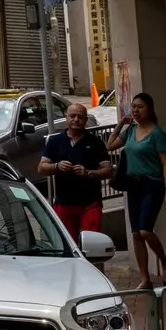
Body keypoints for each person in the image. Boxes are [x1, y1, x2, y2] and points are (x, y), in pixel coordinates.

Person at [109, 92, 166, 289]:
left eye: (140, 107)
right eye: (133, 107)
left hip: (152, 186)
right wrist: (122, 123)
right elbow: (109, 145)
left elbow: (165, 164)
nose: (136, 110)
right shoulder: (130, 131)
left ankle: (164, 262)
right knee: (136, 233)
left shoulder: (157, 134)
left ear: (150, 110)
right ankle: (145, 278)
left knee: (146, 230)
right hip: (133, 186)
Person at [38, 100, 112, 241]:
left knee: (93, 245)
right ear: (66, 117)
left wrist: (88, 172)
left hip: (90, 203)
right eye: (72, 116)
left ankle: (94, 264)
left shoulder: (96, 142)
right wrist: (57, 166)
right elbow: (41, 168)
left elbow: (108, 171)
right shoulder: (55, 141)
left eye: (80, 117)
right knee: (67, 244)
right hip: (64, 203)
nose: (76, 120)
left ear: (85, 120)